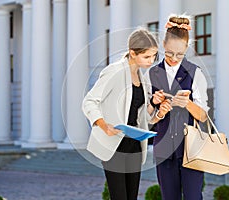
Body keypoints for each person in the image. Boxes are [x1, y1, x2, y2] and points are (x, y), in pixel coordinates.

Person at [82, 28, 158, 200]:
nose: (151, 61)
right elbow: (89, 101)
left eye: (154, 56)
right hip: (114, 145)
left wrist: (154, 105)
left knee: (132, 197)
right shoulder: (114, 72)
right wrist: (103, 125)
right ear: (132, 53)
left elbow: (142, 116)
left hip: (135, 146)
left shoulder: (143, 78)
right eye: (147, 56)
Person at [146, 14, 210, 200]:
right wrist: (154, 105)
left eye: (180, 54)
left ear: (186, 50)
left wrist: (188, 104)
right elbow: (145, 118)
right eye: (169, 53)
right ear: (163, 45)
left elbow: (204, 116)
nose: (174, 58)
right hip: (164, 151)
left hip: (191, 150)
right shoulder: (152, 73)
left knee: (193, 197)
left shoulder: (195, 73)